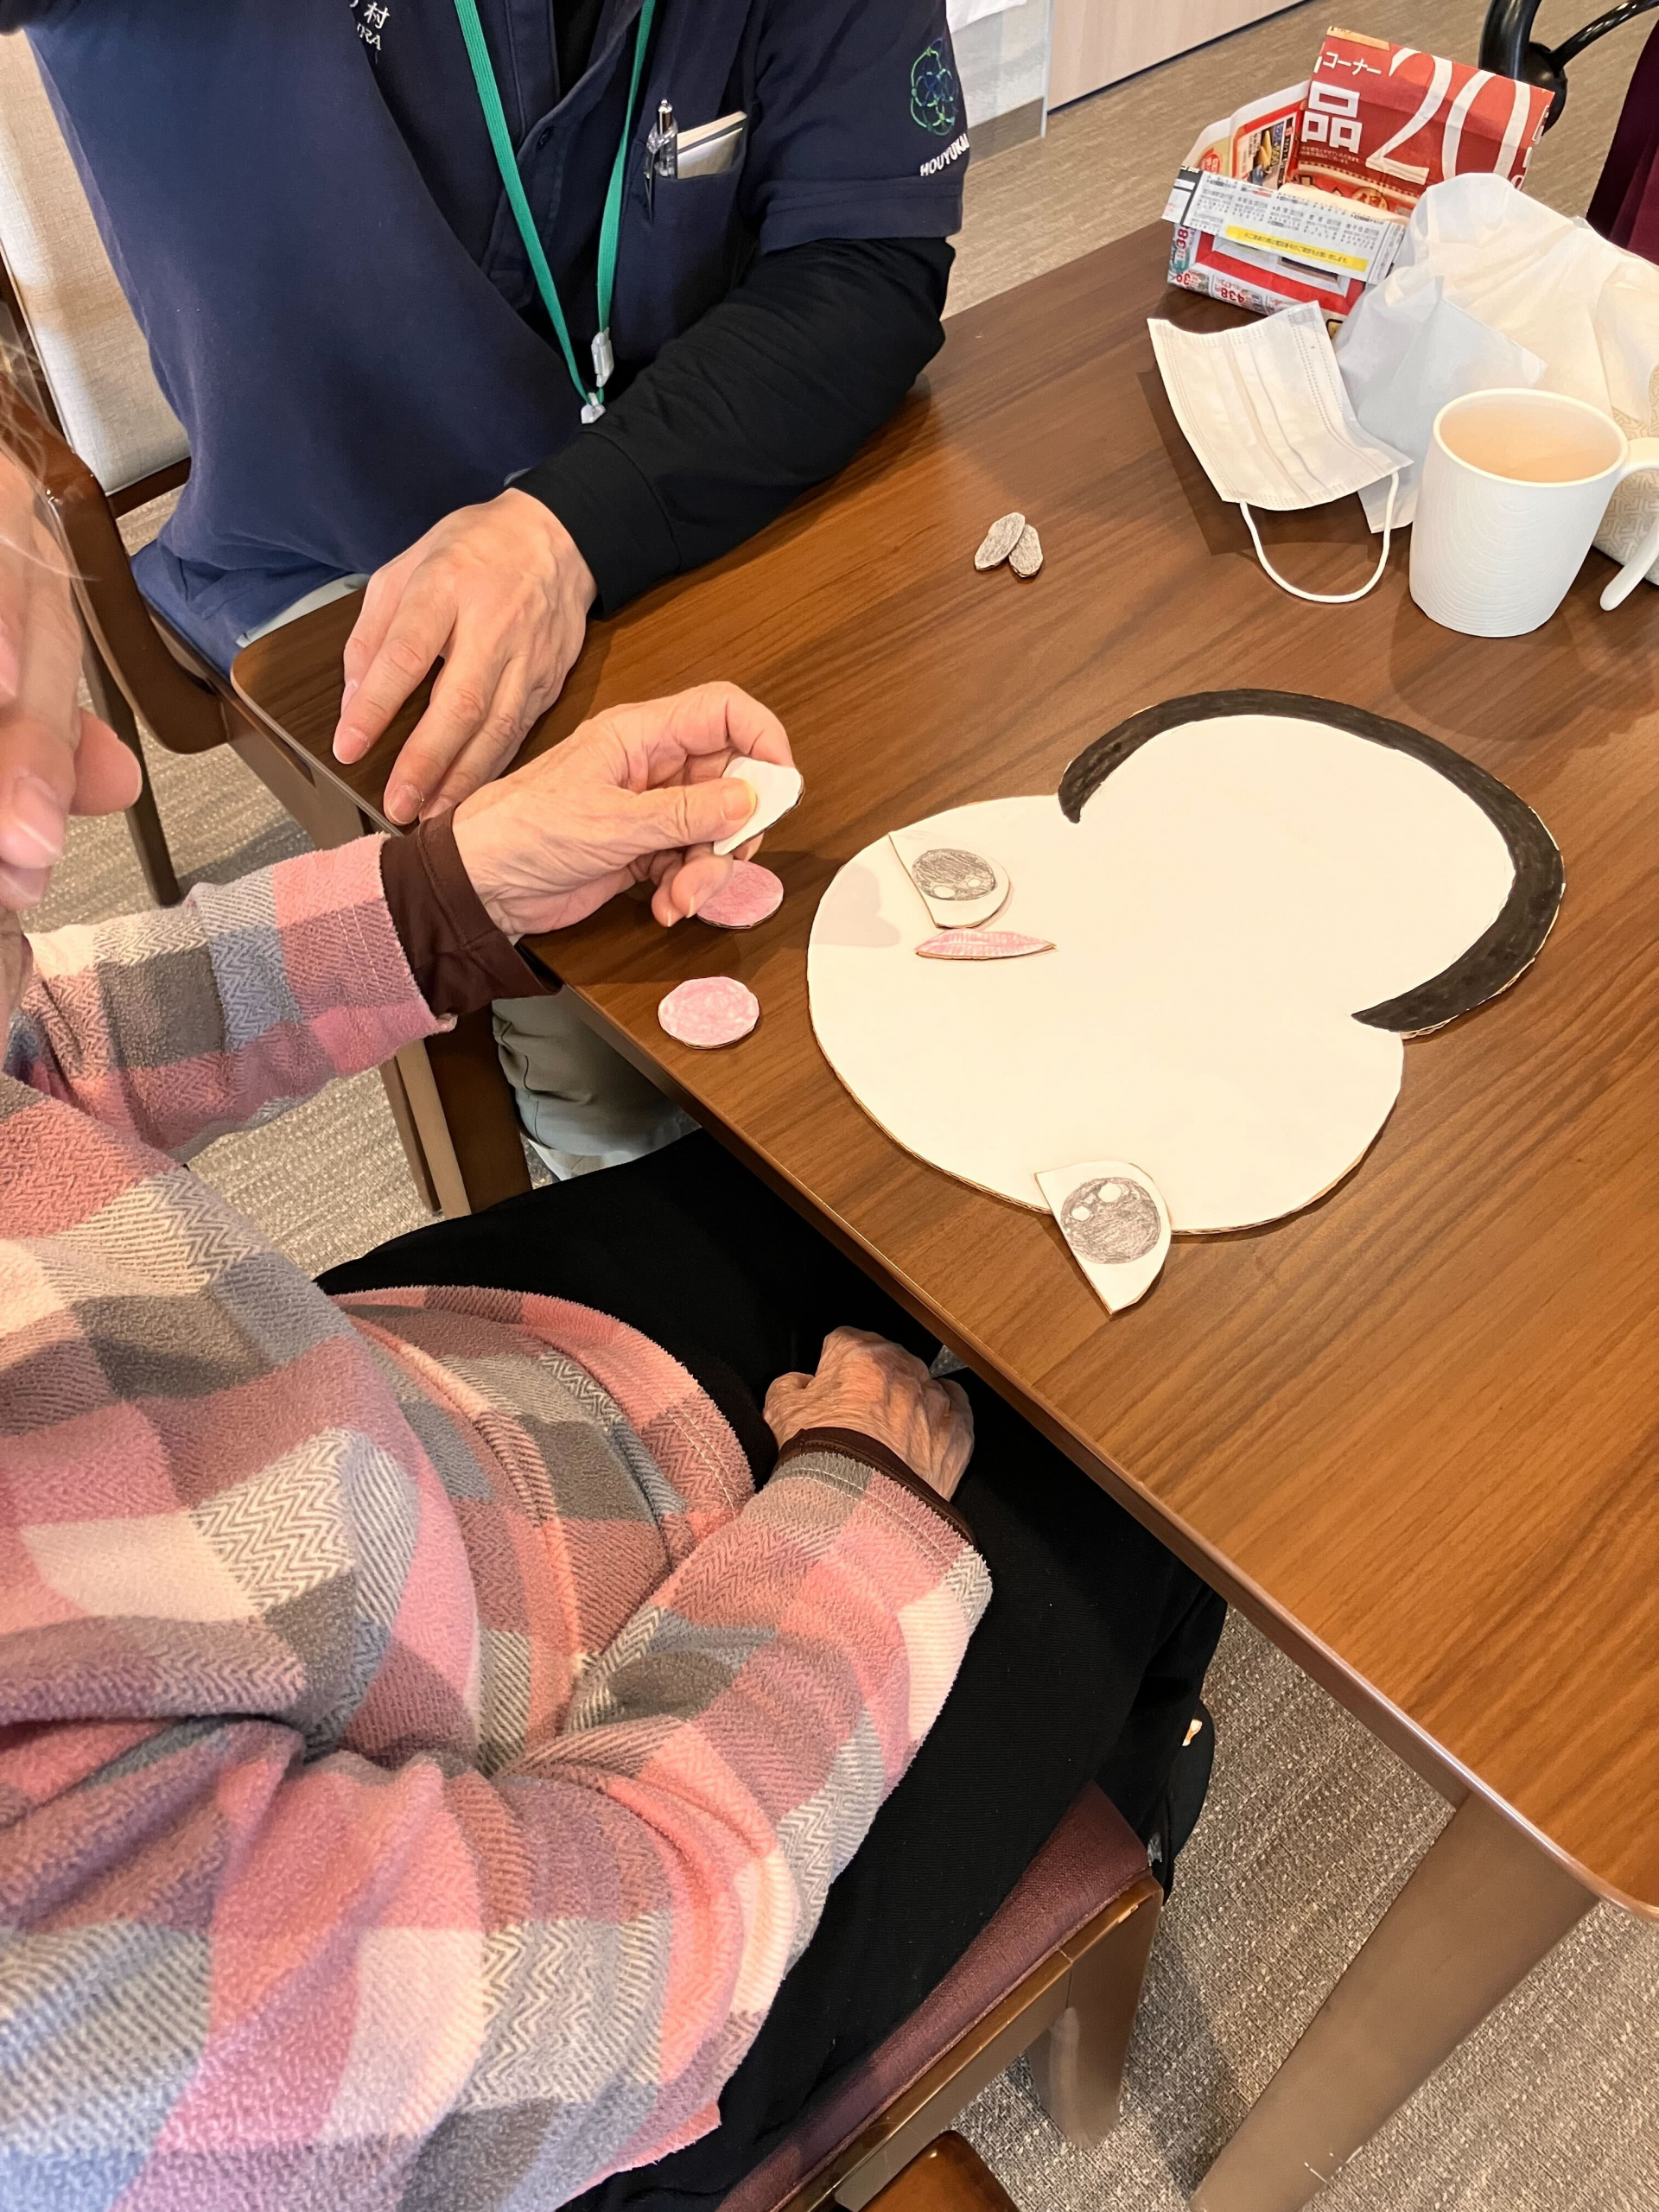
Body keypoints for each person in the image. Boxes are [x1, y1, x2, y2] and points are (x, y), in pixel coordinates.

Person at [0, 447, 1224, 2208]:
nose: (110, 776)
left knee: (885, 1195)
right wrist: (863, 1508)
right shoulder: (58, 2014)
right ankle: (1141, 1769)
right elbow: (618, 1973)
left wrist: (447, 892)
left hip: (430, 1461)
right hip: (611, 1993)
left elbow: (39, 1050)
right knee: (1159, 1423)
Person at [10, 0, 971, 1169]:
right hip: (340, 552)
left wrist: (570, 523)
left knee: (903, 845)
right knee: (628, 1043)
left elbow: (866, 256)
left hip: (681, 466)